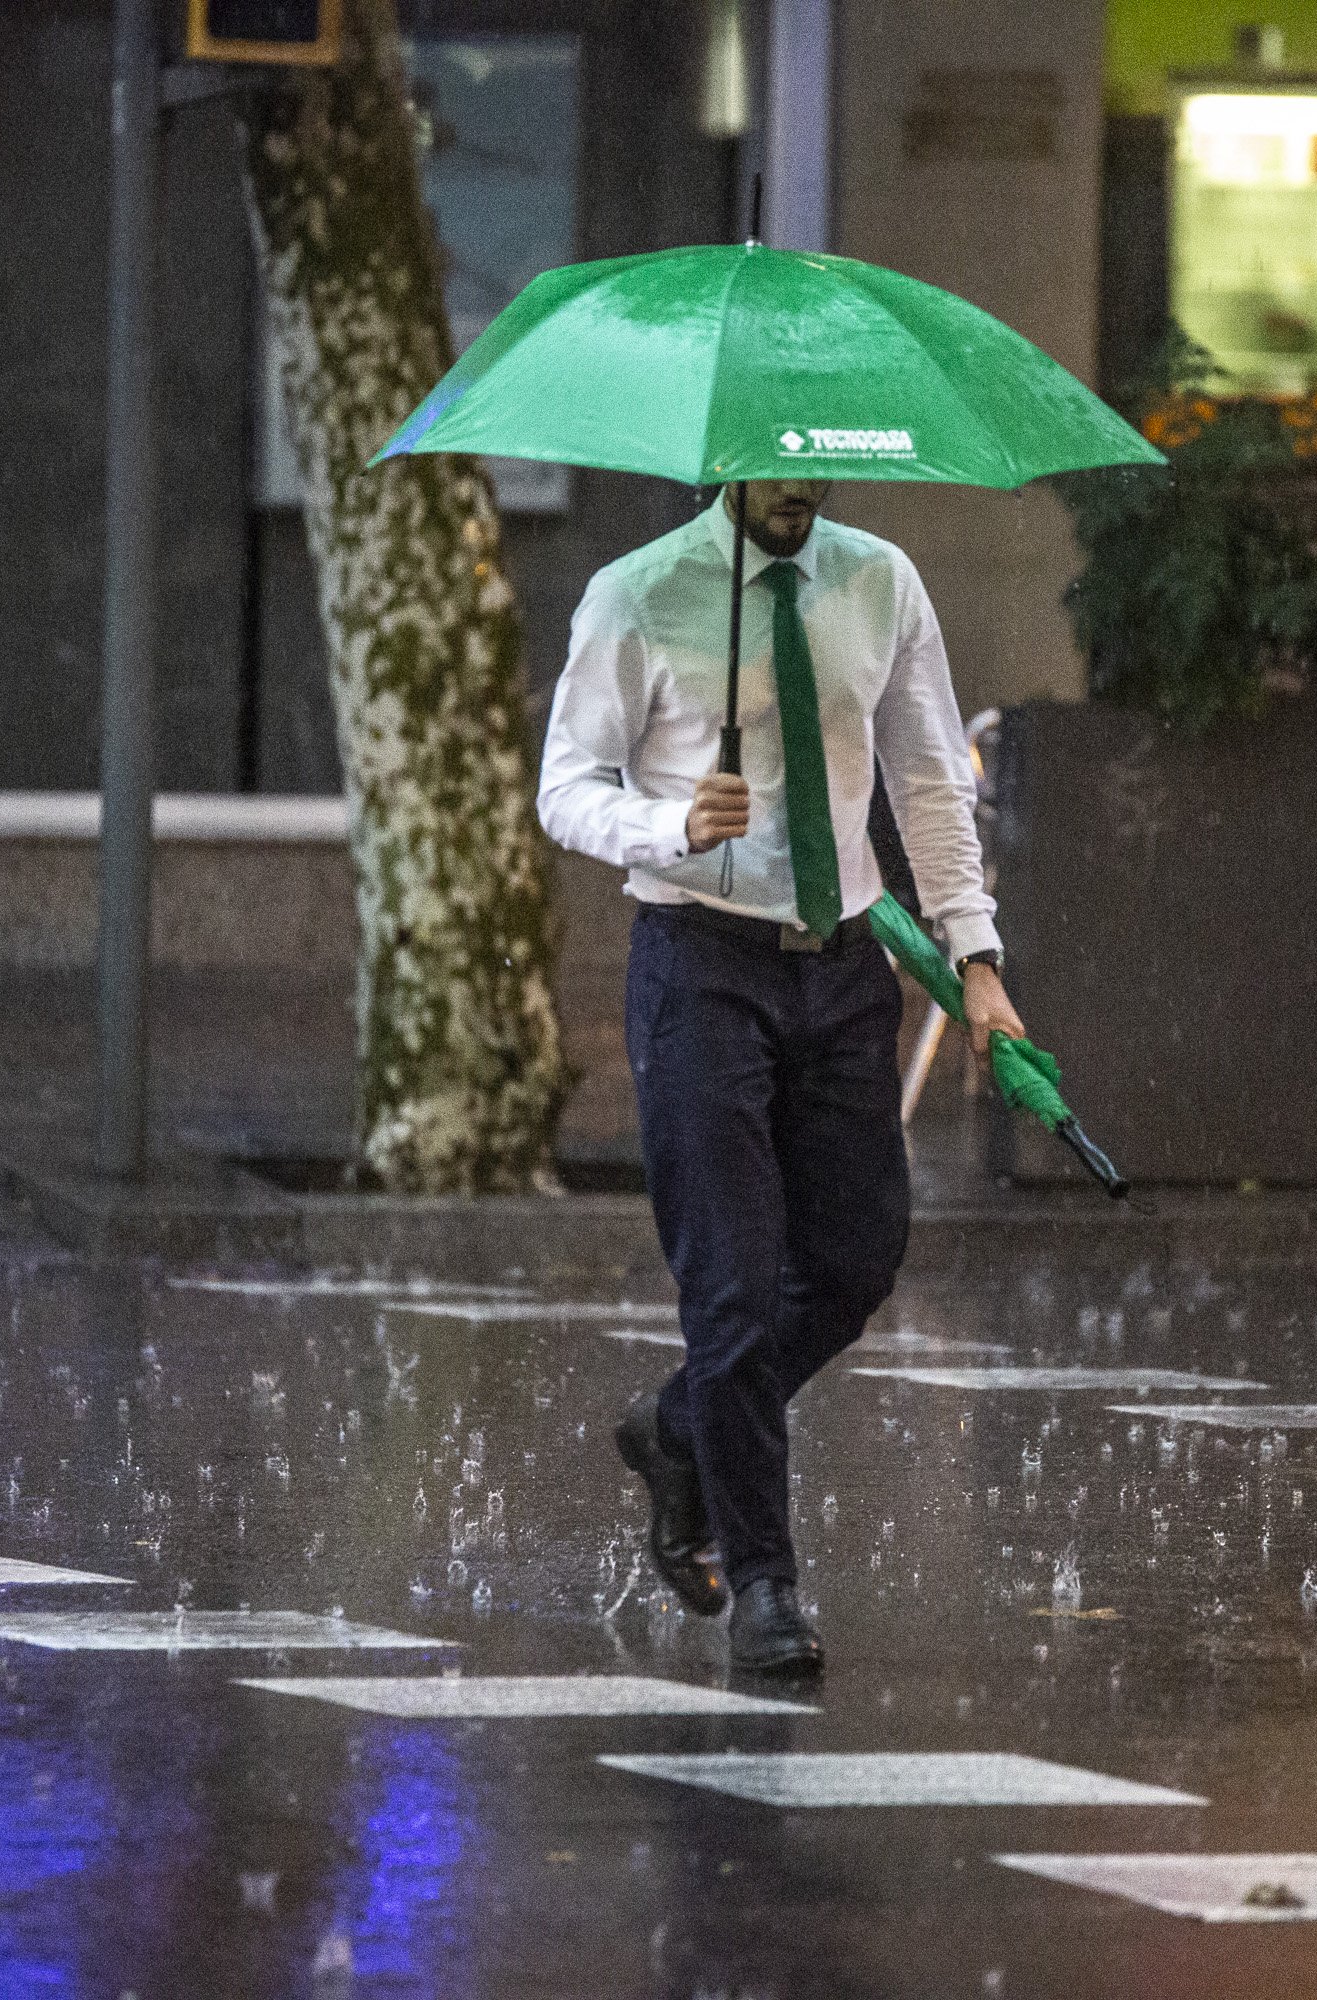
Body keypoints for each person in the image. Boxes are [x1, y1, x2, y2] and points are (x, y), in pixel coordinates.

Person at [538, 480, 1022, 1675]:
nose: (800, 479)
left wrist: (977, 959)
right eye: (775, 453)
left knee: (856, 1257)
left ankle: (680, 1424)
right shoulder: (638, 594)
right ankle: (764, 1580)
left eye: (814, 452)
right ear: (730, 452)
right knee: (735, 1287)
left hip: (844, 963)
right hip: (701, 965)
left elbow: (927, 784)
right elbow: (564, 786)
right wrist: (668, 824)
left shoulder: (881, 581)